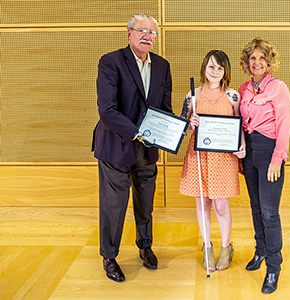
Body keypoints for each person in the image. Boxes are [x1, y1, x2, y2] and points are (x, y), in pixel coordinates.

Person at [92, 14, 172, 282]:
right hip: (117, 145)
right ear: (129, 33)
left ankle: (145, 246)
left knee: (145, 204)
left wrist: (172, 129)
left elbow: (165, 110)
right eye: (142, 30)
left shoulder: (162, 66)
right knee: (114, 205)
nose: (147, 36)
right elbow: (107, 111)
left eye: (152, 32)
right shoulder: (111, 62)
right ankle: (109, 256)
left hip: (148, 150)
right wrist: (137, 133)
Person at [179, 50, 246, 272]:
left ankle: (226, 247)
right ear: (204, 68)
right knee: (202, 203)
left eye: (220, 67)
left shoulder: (233, 96)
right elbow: (182, 127)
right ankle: (207, 247)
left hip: (224, 158)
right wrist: (190, 124)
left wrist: (242, 144)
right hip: (199, 156)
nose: (215, 71)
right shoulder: (192, 96)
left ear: (225, 71)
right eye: (211, 67)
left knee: (221, 205)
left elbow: (239, 125)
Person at [239, 37, 290, 294]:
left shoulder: (279, 88)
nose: (257, 62)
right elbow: (239, 123)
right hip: (248, 153)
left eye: (262, 58)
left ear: (269, 62)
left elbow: (284, 126)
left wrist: (277, 159)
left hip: (269, 151)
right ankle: (260, 251)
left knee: (270, 213)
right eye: (253, 58)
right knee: (255, 207)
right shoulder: (244, 89)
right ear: (247, 63)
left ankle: (274, 267)